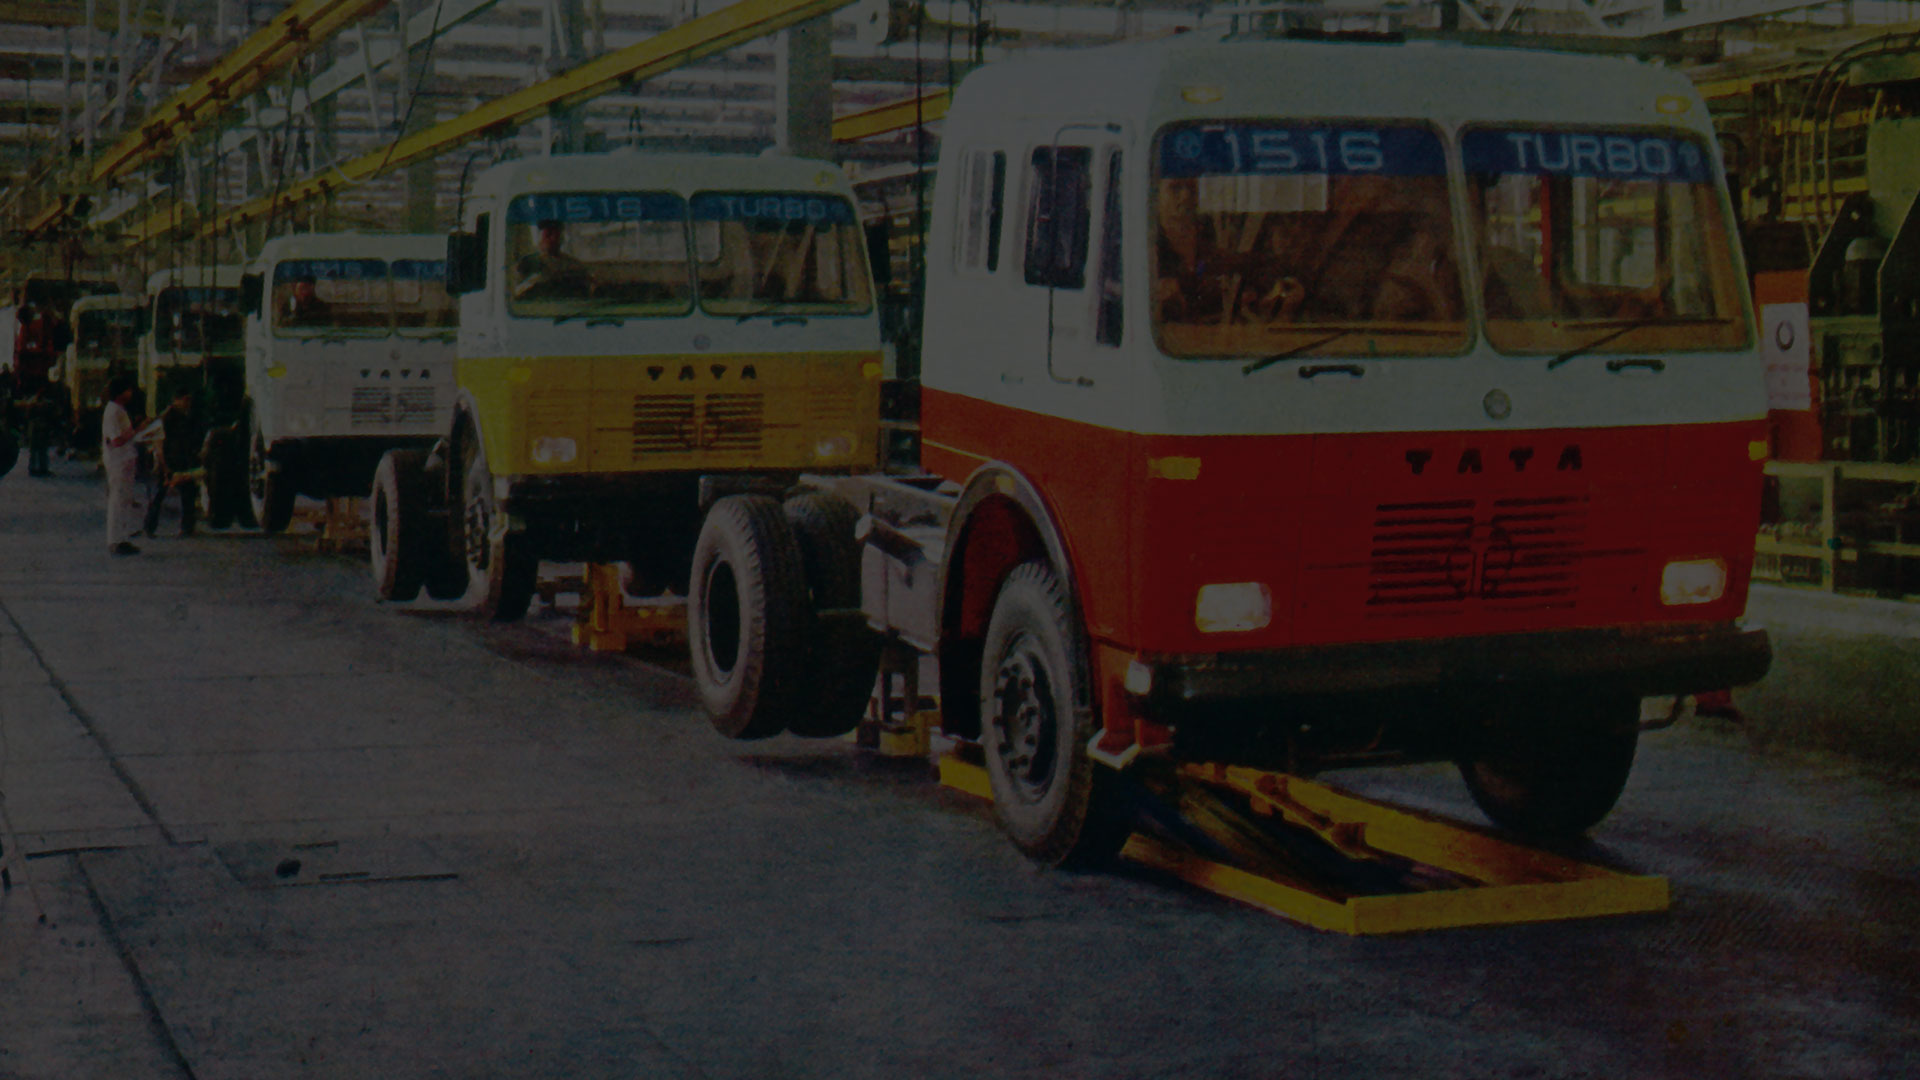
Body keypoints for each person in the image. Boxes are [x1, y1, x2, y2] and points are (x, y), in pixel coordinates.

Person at [143, 387, 204, 538]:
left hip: (181, 461)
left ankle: (187, 527)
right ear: (176, 400)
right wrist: (163, 465)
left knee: (187, 493)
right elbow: (159, 443)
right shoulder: (167, 418)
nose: (188, 404)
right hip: (169, 462)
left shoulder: (184, 417)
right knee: (159, 495)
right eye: (185, 400)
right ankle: (150, 527)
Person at [100, 375, 146, 556]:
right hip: (118, 461)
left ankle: (123, 537)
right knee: (118, 500)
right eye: (128, 389)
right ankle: (115, 540)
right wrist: (137, 430)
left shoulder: (119, 410)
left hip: (125, 460)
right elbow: (116, 440)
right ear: (120, 392)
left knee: (125, 500)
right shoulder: (113, 411)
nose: (130, 393)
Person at [513, 220, 592, 300]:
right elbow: (516, 292)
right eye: (548, 234)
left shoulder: (574, 265)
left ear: (562, 238)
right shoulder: (527, 263)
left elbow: (586, 290)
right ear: (539, 237)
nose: (553, 239)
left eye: (557, 235)